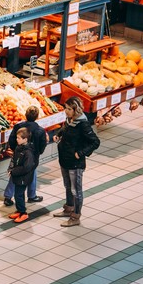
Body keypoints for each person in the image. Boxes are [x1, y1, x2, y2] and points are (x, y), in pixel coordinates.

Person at [52, 97, 100, 227]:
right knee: (67, 185)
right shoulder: (70, 120)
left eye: (68, 109)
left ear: (75, 109)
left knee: (76, 190)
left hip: (75, 163)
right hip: (64, 159)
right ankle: (69, 208)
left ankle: (76, 216)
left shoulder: (83, 124)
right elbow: (66, 128)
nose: (65, 111)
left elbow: (95, 142)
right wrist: (59, 134)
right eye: (65, 108)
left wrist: (80, 153)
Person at [3, 106, 47, 206]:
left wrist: (16, 151)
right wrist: (37, 153)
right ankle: (32, 196)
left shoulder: (18, 126)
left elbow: (11, 140)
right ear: (37, 116)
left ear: (25, 115)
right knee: (32, 174)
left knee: (16, 173)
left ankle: (8, 196)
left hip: (18, 154)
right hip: (33, 157)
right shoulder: (40, 130)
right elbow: (42, 145)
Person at [7, 128, 38, 223]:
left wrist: (14, 171)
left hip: (23, 178)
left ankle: (23, 213)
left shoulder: (28, 153)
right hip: (18, 176)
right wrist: (10, 169)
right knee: (19, 194)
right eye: (17, 137)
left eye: (19, 138)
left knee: (18, 195)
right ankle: (20, 210)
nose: (17, 139)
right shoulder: (19, 148)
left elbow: (26, 168)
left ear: (25, 139)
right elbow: (14, 160)